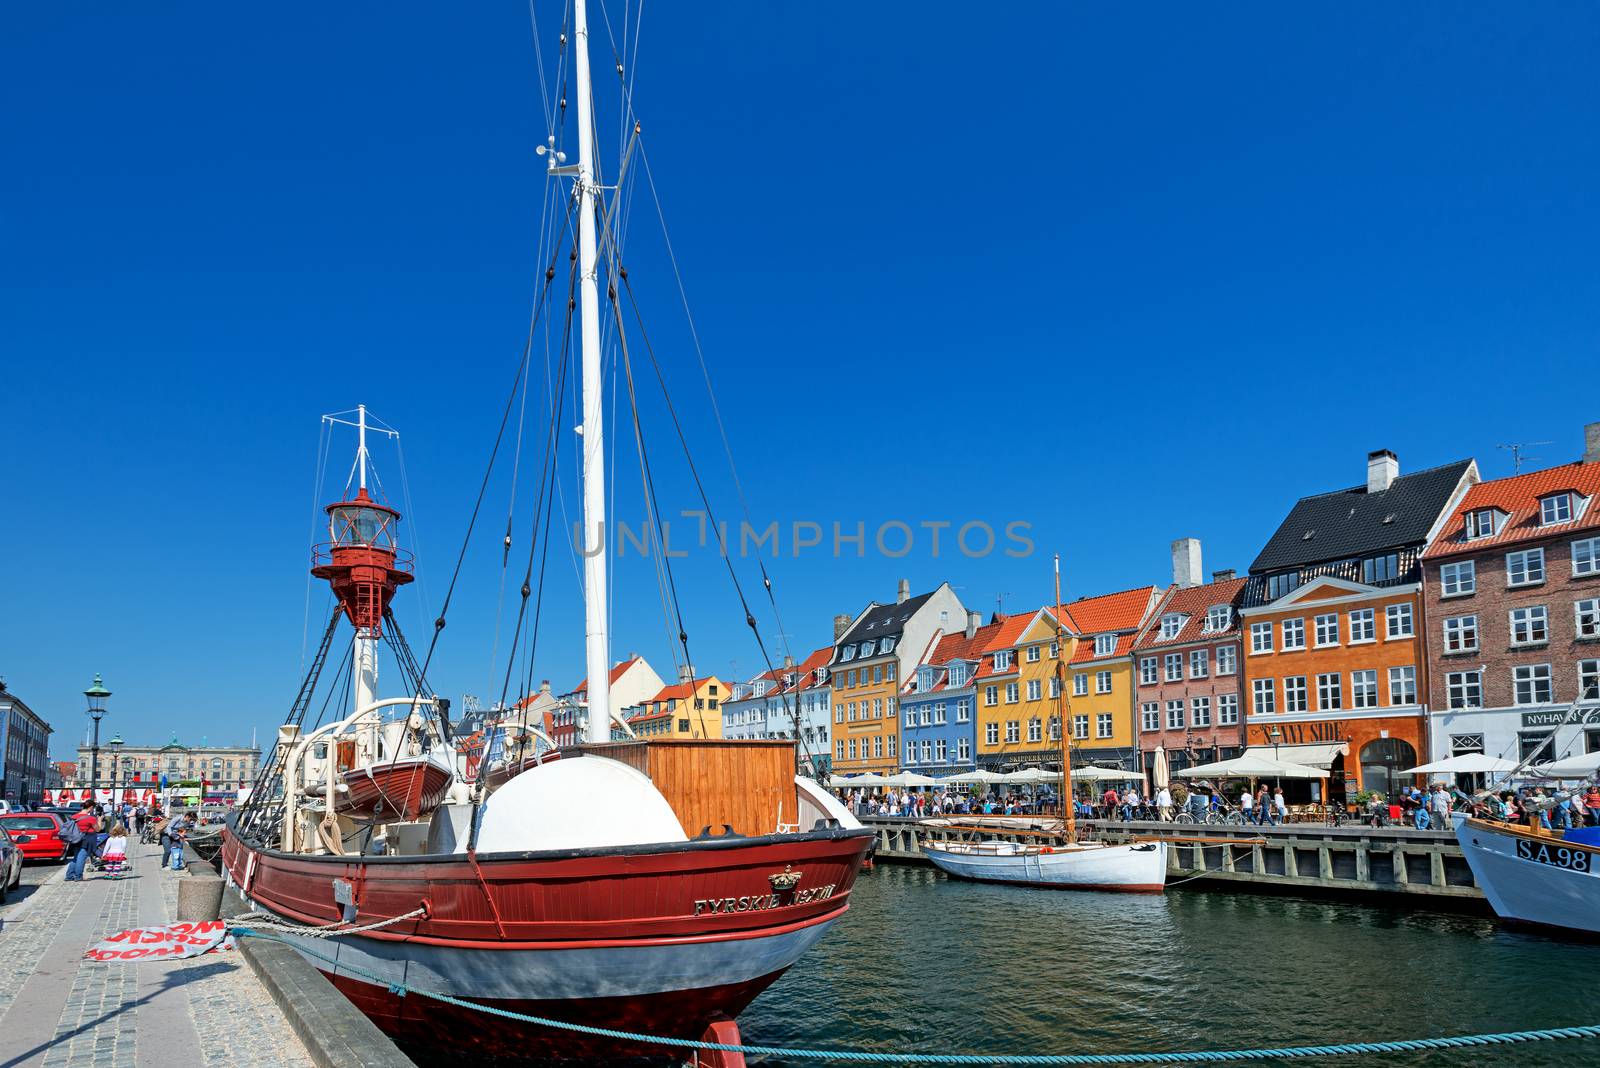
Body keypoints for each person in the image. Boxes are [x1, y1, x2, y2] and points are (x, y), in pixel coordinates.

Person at [64, 802, 99, 881]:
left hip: (75, 838)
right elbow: (97, 829)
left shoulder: (73, 817)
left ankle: (69, 876)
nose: (93, 810)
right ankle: (78, 876)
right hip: (86, 839)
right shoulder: (90, 818)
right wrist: (99, 819)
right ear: (90, 807)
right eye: (93, 808)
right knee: (81, 857)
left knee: (76, 857)